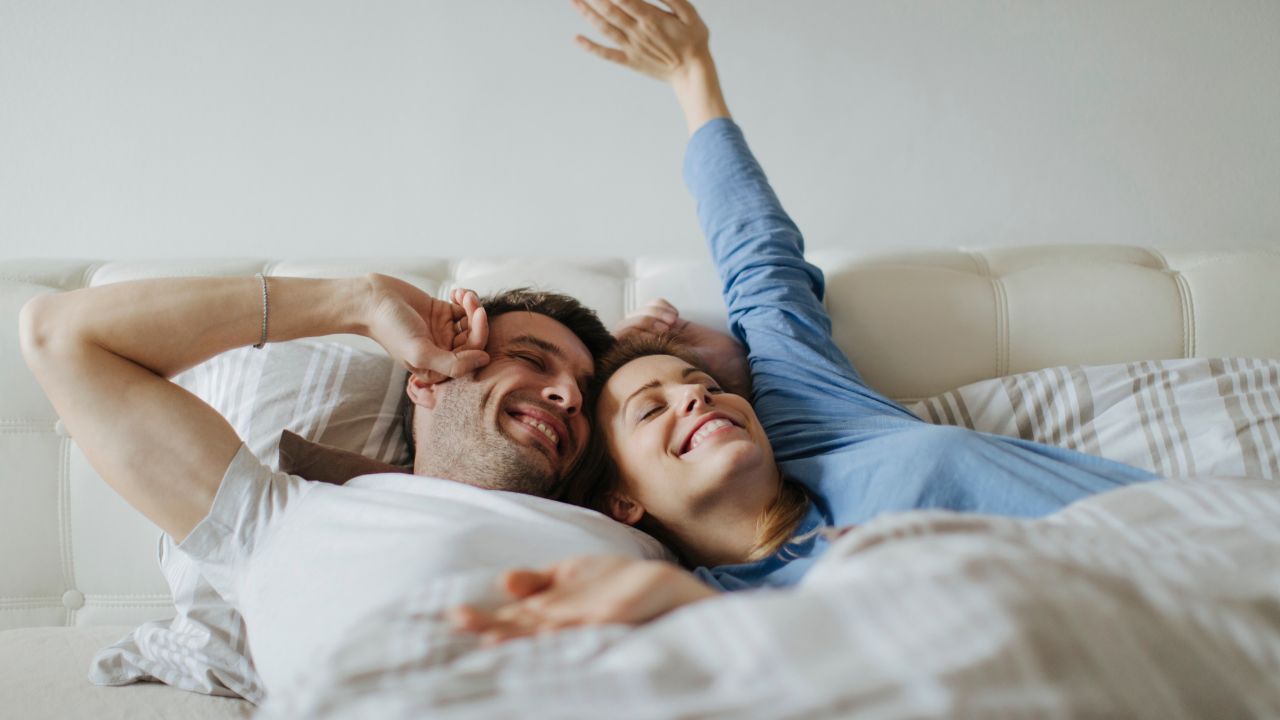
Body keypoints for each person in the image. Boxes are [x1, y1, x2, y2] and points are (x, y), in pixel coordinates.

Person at [450, 0, 1159, 643]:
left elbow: (758, 258)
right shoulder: (700, 610)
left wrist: (694, 77)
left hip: (1182, 553)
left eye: (697, 380)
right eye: (649, 409)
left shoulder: (815, 422)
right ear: (623, 500)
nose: (697, 394)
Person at [18, 274, 669, 695]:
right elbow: (58, 334)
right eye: (530, 360)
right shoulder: (272, 516)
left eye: (585, 394)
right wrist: (356, 303)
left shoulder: (633, 516)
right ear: (428, 377)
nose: (567, 397)